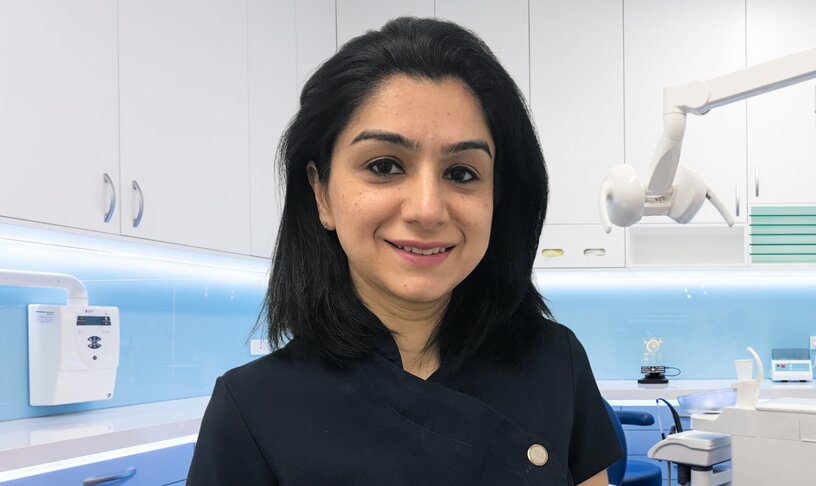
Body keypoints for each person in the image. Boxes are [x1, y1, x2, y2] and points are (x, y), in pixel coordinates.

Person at [187, 16, 623, 485]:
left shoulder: (556, 363)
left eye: (461, 173)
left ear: (498, 197)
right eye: (384, 166)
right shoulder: (251, 410)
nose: (427, 209)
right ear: (321, 193)